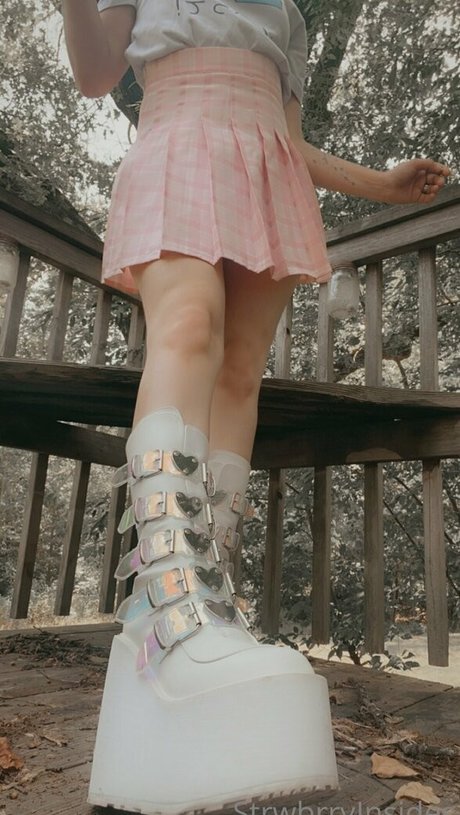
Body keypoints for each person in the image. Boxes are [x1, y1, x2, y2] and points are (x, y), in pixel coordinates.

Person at [62, 2, 450, 813]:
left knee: (242, 372)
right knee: (187, 324)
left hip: (265, 169)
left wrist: (379, 185)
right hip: (177, 140)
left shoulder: (287, 15)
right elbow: (97, 74)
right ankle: (168, 597)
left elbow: (290, 138)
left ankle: (204, 595)